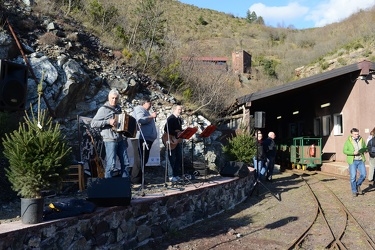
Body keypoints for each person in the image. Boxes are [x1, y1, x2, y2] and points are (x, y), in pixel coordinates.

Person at [91, 89, 130, 178]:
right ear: (109, 98)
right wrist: (108, 121)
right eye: (112, 98)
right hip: (110, 140)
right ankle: (107, 185)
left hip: (120, 139)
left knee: (126, 163)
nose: (114, 100)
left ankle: (124, 185)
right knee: (111, 165)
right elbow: (93, 123)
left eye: (116, 98)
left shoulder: (118, 108)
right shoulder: (103, 109)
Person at [132, 97, 157, 184]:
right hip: (140, 138)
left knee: (144, 159)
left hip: (147, 138)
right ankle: (135, 180)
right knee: (139, 159)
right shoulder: (139, 109)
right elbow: (140, 120)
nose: (151, 105)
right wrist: (152, 116)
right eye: (149, 103)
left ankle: (141, 179)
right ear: (144, 103)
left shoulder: (146, 111)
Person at [343, 128, 367, 197]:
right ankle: (354, 191)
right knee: (353, 177)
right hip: (353, 161)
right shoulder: (348, 141)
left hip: (360, 160)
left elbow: (364, 147)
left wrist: (365, 150)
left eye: (357, 134)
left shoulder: (361, 140)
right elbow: (344, 151)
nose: (357, 135)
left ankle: (357, 185)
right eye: (355, 134)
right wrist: (352, 153)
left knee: (364, 175)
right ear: (352, 134)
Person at [164, 105, 183, 182]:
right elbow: (166, 129)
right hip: (171, 140)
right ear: (174, 109)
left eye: (181, 109)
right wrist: (175, 132)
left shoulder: (179, 119)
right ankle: (171, 175)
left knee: (179, 157)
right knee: (171, 158)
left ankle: (176, 174)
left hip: (177, 140)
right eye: (179, 109)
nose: (180, 111)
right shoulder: (171, 118)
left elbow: (179, 130)